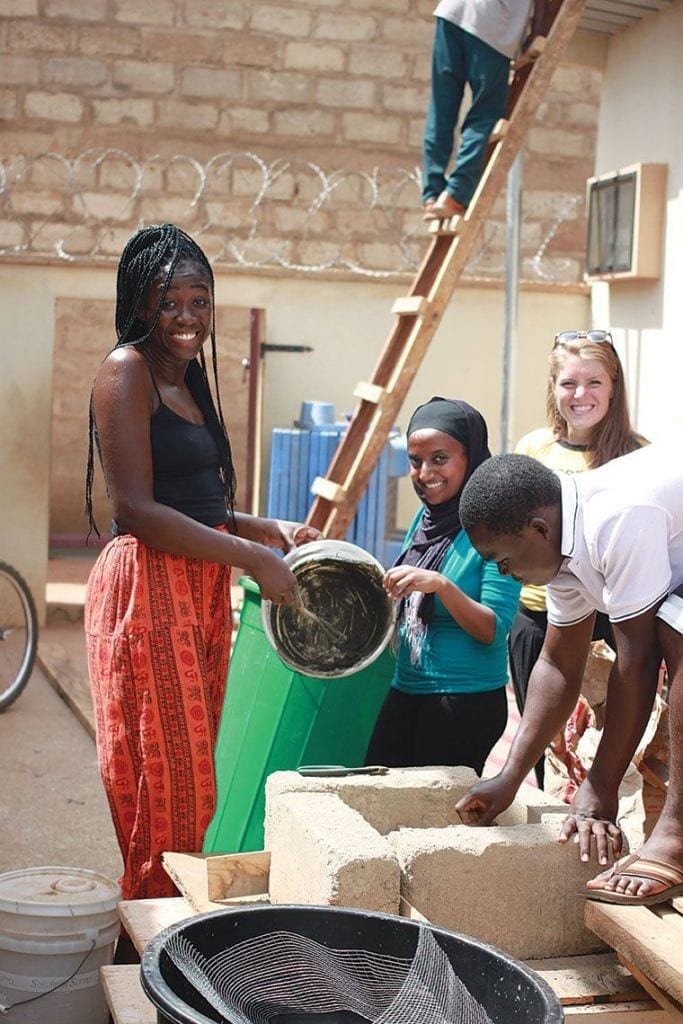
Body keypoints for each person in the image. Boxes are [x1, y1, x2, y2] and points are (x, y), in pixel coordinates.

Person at [84, 223, 319, 901]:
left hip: (198, 590)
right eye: (169, 302)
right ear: (141, 305)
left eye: (199, 302)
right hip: (150, 594)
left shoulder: (186, 380)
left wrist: (266, 530)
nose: (187, 318)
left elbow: (194, 504)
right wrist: (249, 555)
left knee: (189, 790)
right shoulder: (126, 370)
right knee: (164, 790)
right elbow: (135, 509)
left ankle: (148, 951)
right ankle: (142, 955)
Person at [454, 445, 683, 906]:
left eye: (503, 560)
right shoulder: (561, 546)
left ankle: (676, 835)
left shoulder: (615, 519)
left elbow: (635, 664)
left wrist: (599, 788)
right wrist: (511, 776)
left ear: (538, 529)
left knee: (676, 627)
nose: (505, 573)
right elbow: (559, 664)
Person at [510, 329, 646, 786]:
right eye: (568, 383)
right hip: (537, 621)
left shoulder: (637, 456)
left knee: (611, 748)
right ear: (553, 388)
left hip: (612, 625)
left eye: (594, 383)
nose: (580, 395)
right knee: (547, 748)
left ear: (614, 388)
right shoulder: (532, 450)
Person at [364, 397, 521, 773]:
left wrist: (441, 586)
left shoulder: (497, 526)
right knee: (378, 795)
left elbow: (493, 631)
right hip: (410, 686)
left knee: (432, 821)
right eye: (415, 461)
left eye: (439, 458)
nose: (424, 472)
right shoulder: (428, 518)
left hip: (463, 700)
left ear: (471, 458)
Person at [422, 0, 540, 222]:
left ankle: (432, 195)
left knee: (442, 109)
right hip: (491, 25)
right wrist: (531, 38)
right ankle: (455, 194)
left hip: (453, 11)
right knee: (485, 113)